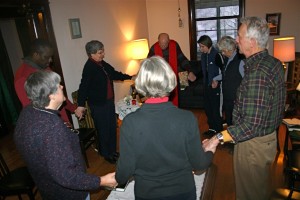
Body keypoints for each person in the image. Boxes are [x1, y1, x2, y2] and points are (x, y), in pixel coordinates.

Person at [115, 56, 219, 200]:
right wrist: (209, 150)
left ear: (141, 83)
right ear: (170, 80)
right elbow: (199, 163)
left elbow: (123, 173)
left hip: (147, 194)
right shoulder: (187, 118)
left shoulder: (129, 123)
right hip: (183, 192)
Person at [14, 71, 117, 200]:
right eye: (58, 85)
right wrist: (101, 181)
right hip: (69, 194)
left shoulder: (28, 112)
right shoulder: (51, 126)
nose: (62, 86)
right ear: (51, 95)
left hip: (48, 188)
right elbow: (65, 175)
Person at [216, 17, 286, 200]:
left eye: (239, 36)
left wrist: (217, 138)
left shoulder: (257, 73)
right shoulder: (273, 63)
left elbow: (251, 126)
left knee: (249, 194)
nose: (236, 40)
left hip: (252, 145)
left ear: (252, 42)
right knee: (258, 189)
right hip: (267, 139)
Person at [75, 40, 134, 164]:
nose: (103, 54)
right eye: (100, 52)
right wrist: (80, 105)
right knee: (103, 129)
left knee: (112, 126)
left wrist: (129, 77)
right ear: (91, 54)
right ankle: (106, 153)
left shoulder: (101, 64)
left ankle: (112, 151)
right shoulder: (89, 67)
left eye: (103, 51)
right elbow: (83, 86)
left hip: (108, 102)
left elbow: (113, 73)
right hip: (98, 104)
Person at [14, 38, 76, 126]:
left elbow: (57, 92)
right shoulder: (22, 77)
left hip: (61, 122)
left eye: (51, 57)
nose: (50, 60)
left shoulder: (45, 68)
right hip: (49, 125)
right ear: (36, 55)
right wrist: (60, 123)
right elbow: (32, 109)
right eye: (46, 57)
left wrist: (73, 108)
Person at [147, 33, 196, 106]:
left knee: (178, 94)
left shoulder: (174, 45)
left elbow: (182, 59)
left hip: (174, 75)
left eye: (165, 43)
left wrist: (190, 71)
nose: (163, 46)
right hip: (161, 78)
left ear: (169, 41)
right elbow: (148, 63)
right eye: (161, 43)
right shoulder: (154, 48)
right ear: (158, 41)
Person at [212, 36, 245, 126]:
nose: (222, 53)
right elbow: (225, 74)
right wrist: (215, 79)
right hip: (228, 98)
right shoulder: (227, 59)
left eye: (223, 50)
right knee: (229, 122)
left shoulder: (240, 61)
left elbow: (246, 81)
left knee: (236, 124)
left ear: (230, 49)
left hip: (236, 100)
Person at [197, 35, 223, 135]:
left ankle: (218, 130)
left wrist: (216, 80)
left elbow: (224, 71)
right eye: (200, 46)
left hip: (216, 87)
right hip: (207, 86)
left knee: (216, 109)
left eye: (202, 46)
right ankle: (212, 128)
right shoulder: (203, 56)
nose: (201, 48)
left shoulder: (217, 55)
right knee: (208, 108)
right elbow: (204, 71)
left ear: (208, 45)